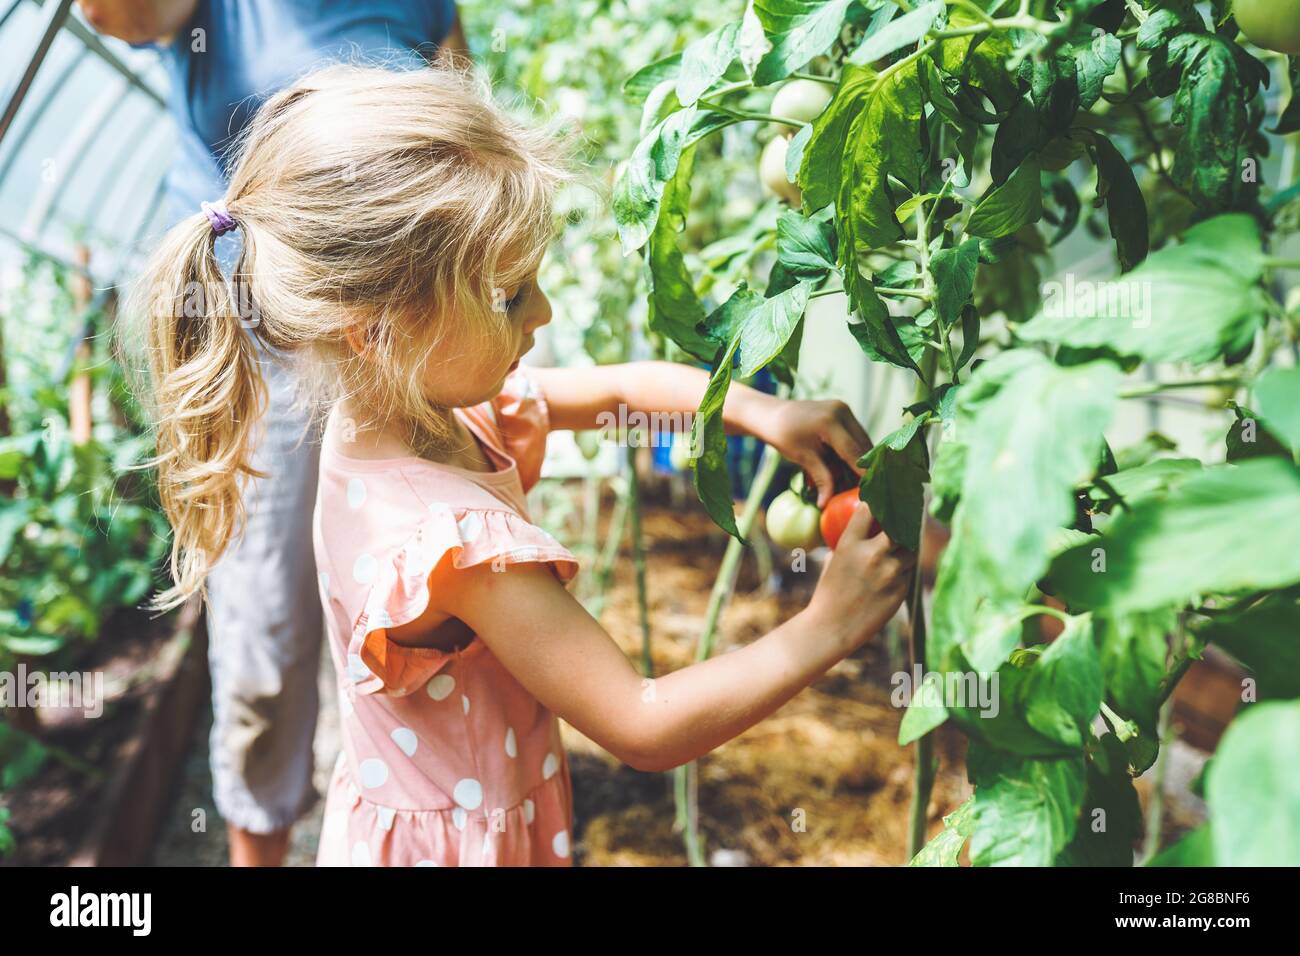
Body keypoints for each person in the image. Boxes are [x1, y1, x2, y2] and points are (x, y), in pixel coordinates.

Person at [128, 63, 915, 867]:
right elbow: (642, 721)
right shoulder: (451, 543)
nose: (543, 312)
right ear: (381, 330)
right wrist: (828, 625)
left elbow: (617, 390)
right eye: (509, 296)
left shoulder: (411, 413)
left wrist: (763, 411)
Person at [80, 0, 467, 866]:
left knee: (433, 594)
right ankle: (263, 844)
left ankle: (427, 819)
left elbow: (458, 122)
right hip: (264, 342)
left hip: (410, 320)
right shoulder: (210, 15)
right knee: (268, 632)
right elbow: (128, 12)